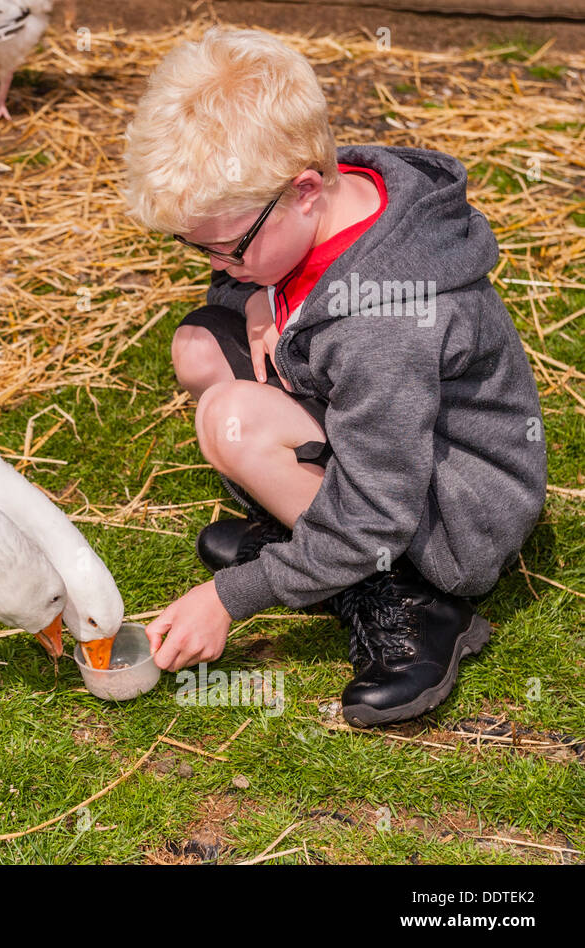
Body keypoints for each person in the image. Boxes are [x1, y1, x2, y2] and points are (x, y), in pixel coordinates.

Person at [122, 27, 547, 727]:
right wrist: (254, 294)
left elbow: (380, 508)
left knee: (233, 419)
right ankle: (308, 530)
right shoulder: (323, 196)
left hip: (449, 519)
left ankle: (405, 602)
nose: (216, 264)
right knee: (201, 346)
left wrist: (233, 595)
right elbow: (250, 282)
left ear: (307, 190)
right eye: (195, 248)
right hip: (379, 436)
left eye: (225, 249)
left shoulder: (386, 324)